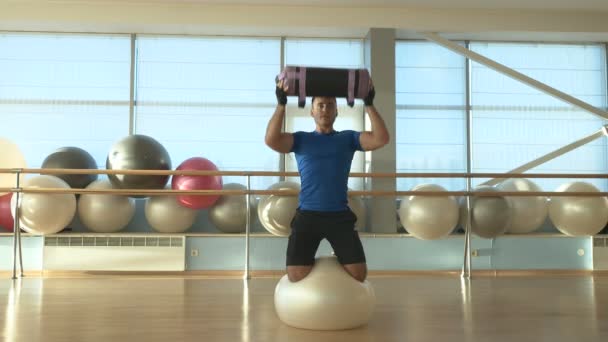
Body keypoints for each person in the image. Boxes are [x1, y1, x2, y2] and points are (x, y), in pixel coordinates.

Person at [264, 76, 389, 283]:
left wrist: (369, 104)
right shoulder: (301, 139)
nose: (325, 109)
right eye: (320, 105)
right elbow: (271, 140)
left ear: (337, 111)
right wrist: (281, 104)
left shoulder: (348, 138)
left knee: (359, 274)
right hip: (307, 216)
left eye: (330, 105)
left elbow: (381, 138)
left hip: (339, 216)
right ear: (312, 111)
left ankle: (338, 257)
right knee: (295, 275)